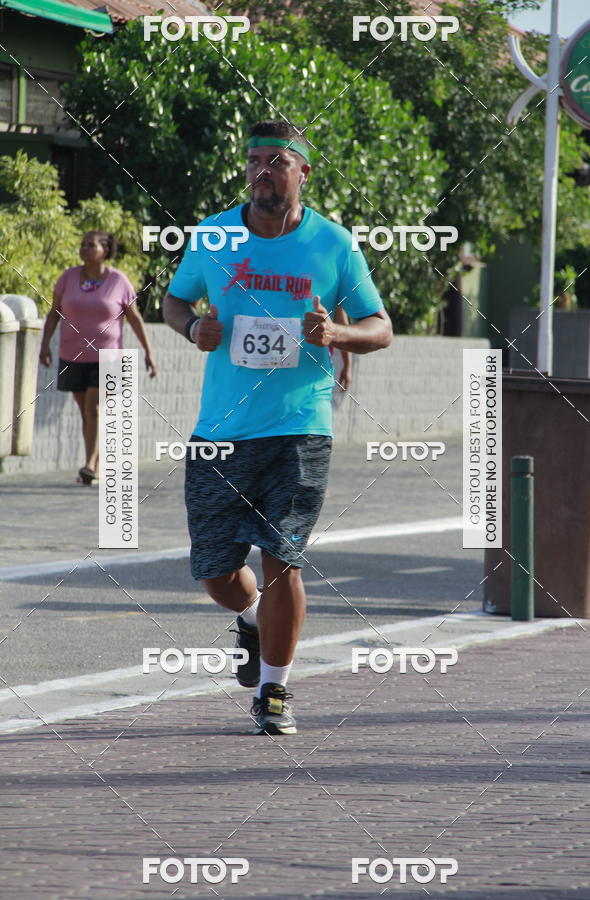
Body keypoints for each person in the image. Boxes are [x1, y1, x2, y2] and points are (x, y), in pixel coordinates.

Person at [163, 120, 392, 735]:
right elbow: (173, 300)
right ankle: (253, 619)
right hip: (221, 430)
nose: (263, 172)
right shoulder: (213, 235)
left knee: (282, 556)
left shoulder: (335, 245)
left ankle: (275, 692)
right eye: (255, 161)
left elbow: (380, 327)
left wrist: (338, 334)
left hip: (300, 427)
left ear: (303, 172)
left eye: (278, 162)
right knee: (213, 570)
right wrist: (191, 329)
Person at [39, 230, 157, 484]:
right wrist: (45, 345)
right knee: (87, 413)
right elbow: (53, 313)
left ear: (104, 250)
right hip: (72, 355)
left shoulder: (118, 280)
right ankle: (96, 465)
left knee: (93, 408)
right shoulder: (68, 278)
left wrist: (148, 352)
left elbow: (134, 318)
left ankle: (90, 464)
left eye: (90, 245)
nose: (84, 249)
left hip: (109, 356)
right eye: (82, 244)